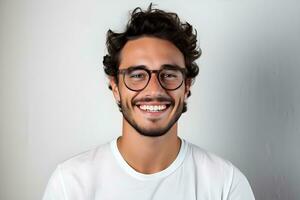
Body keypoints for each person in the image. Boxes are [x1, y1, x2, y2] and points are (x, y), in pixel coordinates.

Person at [43, 4, 255, 200]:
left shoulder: (225, 184)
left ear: (187, 86)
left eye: (169, 74)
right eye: (137, 75)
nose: (154, 89)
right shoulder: (70, 184)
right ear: (116, 86)